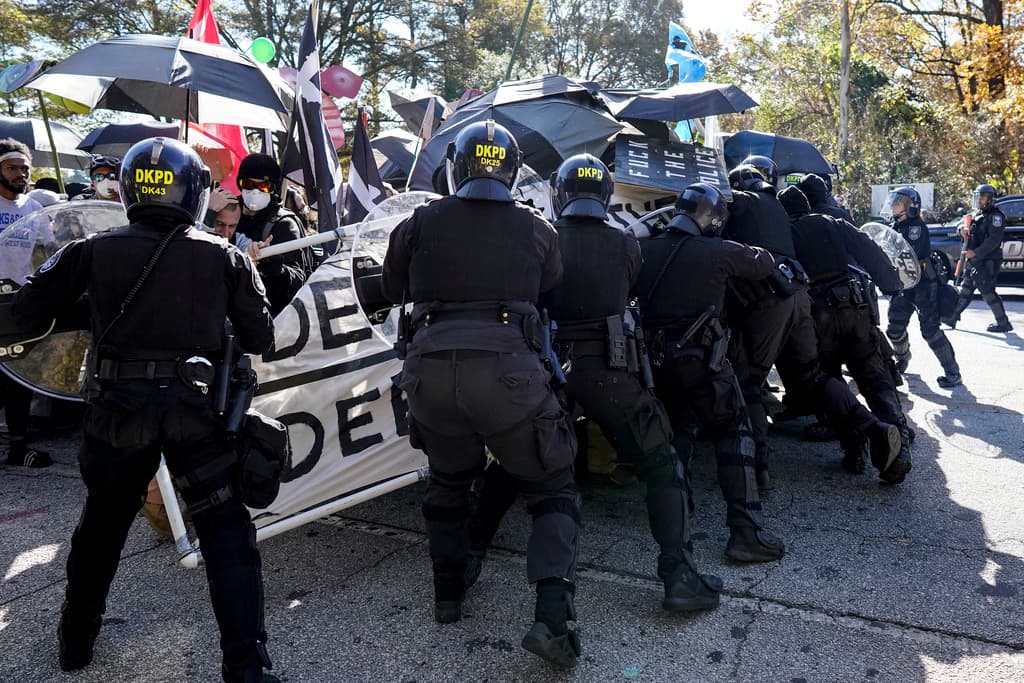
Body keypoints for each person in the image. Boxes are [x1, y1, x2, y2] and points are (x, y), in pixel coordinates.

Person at [10, 138, 279, 683]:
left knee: (101, 527)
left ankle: (75, 643)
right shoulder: (224, 254)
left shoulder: (91, 249)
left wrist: (92, 307)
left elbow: (25, 311)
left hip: (116, 412)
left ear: (132, 189)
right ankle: (246, 668)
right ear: (195, 191)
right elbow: (260, 336)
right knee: (226, 531)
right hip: (196, 412)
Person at [465, 154, 722, 614]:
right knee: (661, 465)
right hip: (612, 371)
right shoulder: (625, 244)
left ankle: (468, 560)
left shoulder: (541, 236)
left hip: (548, 372)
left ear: (560, 193)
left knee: (509, 466)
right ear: (603, 195)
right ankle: (679, 574)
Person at [381, 121, 582, 668]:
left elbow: (389, 287)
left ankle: (448, 595)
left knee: (448, 483)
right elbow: (551, 289)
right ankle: (552, 620)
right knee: (552, 487)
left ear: (456, 166)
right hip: (509, 375)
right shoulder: (537, 227)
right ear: (511, 170)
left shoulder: (419, 221)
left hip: (429, 372)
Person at [635, 182, 786, 563]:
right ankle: (746, 533)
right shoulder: (719, 250)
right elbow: (763, 262)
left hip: (657, 366)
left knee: (679, 431)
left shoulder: (645, 249)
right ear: (714, 219)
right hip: (704, 364)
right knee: (734, 432)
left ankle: (680, 512)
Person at [778, 186, 913, 483]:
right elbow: (870, 251)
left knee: (830, 381)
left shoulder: (784, 233)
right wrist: (892, 284)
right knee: (874, 376)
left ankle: (854, 448)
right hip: (855, 308)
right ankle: (899, 446)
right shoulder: (832, 222)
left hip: (817, 316)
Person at [0, 138, 53, 468]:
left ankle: (19, 447)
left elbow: (44, 253)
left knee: (19, 377)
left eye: (25, 168)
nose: (21, 173)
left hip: (19, 303)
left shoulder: (35, 209)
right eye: (12, 168)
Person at [882, 186, 962, 388]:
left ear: (910, 207)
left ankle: (953, 373)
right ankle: (903, 357)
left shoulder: (916, 228)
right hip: (905, 284)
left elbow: (908, 253)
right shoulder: (894, 227)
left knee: (930, 330)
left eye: (897, 202)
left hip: (924, 285)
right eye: (893, 202)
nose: (892, 206)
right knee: (894, 328)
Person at [235, 153, 310, 315]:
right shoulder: (226, 212)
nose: (255, 192)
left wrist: (274, 268)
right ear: (240, 184)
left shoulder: (284, 224)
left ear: (273, 188)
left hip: (267, 316)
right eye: (248, 184)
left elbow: (299, 281)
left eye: (264, 186)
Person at [943, 183, 1012, 332]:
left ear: (990, 199)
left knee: (987, 291)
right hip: (974, 260)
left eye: (983, 198)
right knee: (966, 289)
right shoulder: (977, 213)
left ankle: (1003, 323)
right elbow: (965, 224)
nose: (979, 200)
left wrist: (976, 253)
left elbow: (993, 240)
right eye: (978, 197)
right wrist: (961, 229)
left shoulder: (996, 216)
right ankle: (952, 317)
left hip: (987, 260)